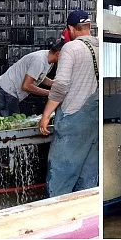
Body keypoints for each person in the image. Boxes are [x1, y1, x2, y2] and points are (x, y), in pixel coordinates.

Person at [39, 10, 99, 197]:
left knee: (61, 173)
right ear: (88, 27)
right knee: (88, 174)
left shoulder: (71, 48)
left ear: (71, 29)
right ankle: (84, 219)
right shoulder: (99, 46)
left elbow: (61, 85)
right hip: (95, 118)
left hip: (74, 118)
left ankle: (57, 216)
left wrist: (46, 114)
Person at [0, 43, 62, 117]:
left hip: (11, 90)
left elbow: (39, 76)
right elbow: (26, 86)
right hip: (7, 90)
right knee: (10, 121)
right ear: (58, 54)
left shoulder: (49, 60)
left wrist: (53, 84)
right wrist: (49, 93)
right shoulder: (39, 60)